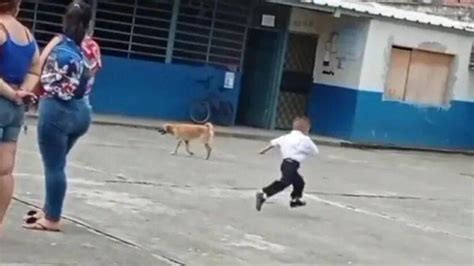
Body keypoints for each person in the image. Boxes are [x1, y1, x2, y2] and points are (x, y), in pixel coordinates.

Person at [23, 0, 93, 232]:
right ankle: (49, 209)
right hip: (82, 111)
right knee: (58, 164)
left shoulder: (59, 44)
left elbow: (38, 66)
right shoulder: (86, 49)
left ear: (65, 19)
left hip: (56, 109)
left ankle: (52, 218)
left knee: (54, 166)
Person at [0, 0, 40, 235]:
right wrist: (22, 92)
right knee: (4, 170)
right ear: (17, 5)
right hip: (16, 109)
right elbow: (36, 68)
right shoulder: (26, 34)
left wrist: (11, 93)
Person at [255, 117, 319, 211]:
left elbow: (273, 143)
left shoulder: (286, 137)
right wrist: (304, 151)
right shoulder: (305, 139)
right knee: (285, 182)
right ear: (306, 128)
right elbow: (315, 151)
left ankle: (295, 199)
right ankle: (264, 193)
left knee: (299, 182)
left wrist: (263, 150)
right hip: (292, 164)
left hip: (285, 164)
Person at [81, 28, 102, 110]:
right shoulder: (95, 45)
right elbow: (98, 64)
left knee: (82, 98)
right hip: (87, 74)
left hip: (82, 74)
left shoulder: (77, 43)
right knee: (85, 97)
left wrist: (90, 74)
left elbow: (97, 64)